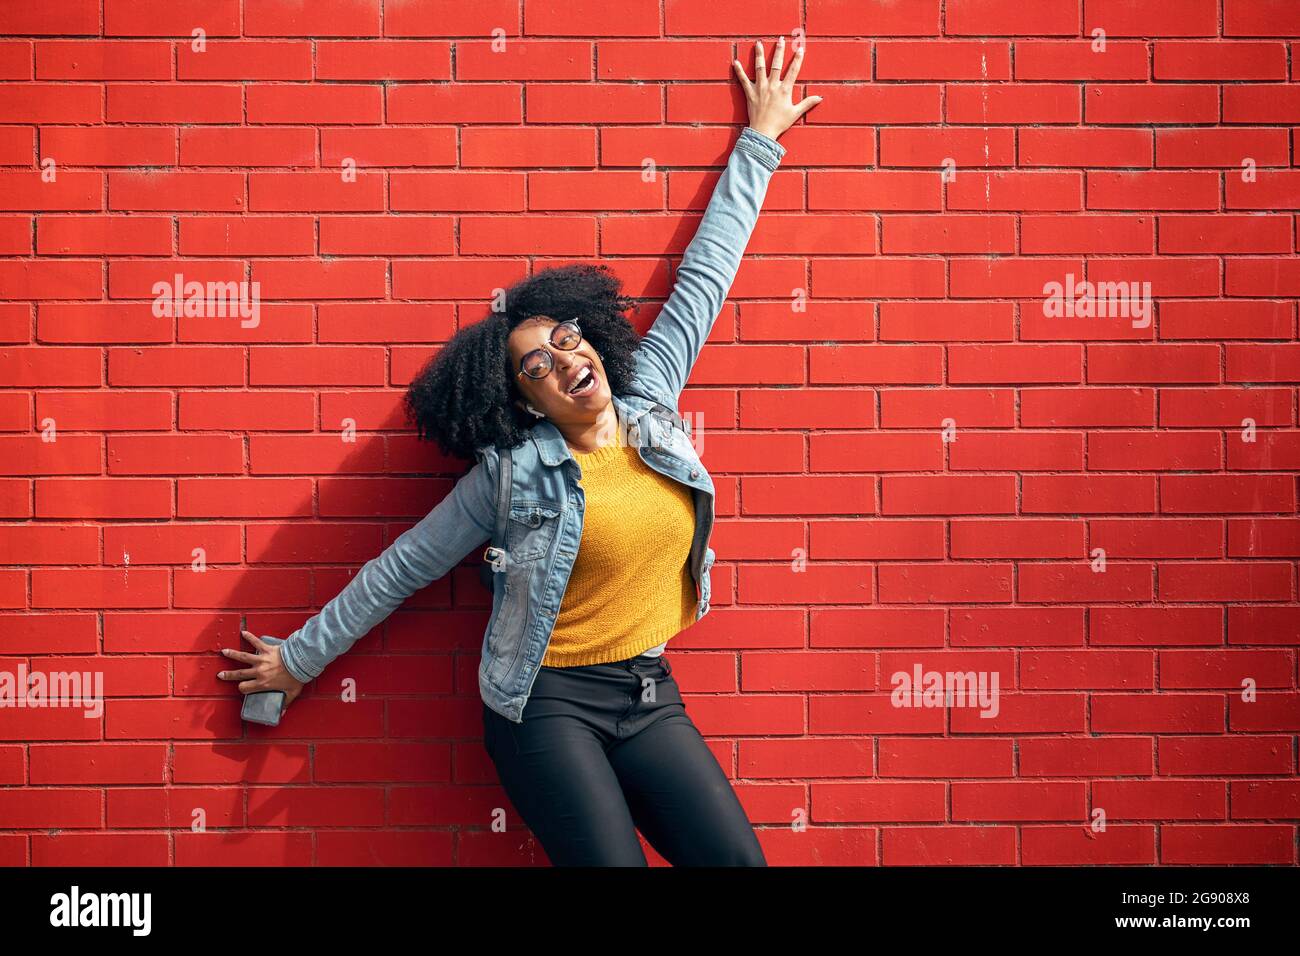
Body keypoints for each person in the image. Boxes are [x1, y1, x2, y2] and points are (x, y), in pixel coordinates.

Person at [217, 36, 822, 866]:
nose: (565, 360)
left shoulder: (651, 399)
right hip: (544, 704)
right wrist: (296, 660)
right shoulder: (510, 476)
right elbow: (402, 567)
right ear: (525, 399)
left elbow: (704, 279)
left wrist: (761, 141)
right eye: (537, 365)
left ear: (596, 343)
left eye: (569, 340)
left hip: (647, 694)